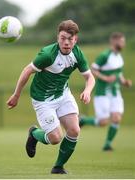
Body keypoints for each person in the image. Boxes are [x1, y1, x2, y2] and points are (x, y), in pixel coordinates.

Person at [7, 20, 95, 174]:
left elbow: (90, 77)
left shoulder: (77, 54)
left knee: (74, 130)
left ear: (76, 39)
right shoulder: (48, 54)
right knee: (55, 138)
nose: (66, 42)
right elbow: (27, 71)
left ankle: (58, 167)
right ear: (57, 38)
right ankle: (34, 133)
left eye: (70, 38)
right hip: (43, 99)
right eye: (63, 38)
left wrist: (87, 91)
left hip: (63, 95)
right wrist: (16, 94)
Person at [79, 32, 132, 151]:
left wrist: (124, 82)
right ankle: (83, 120)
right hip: (103, 93)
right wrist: (105, 78)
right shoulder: (105, 55)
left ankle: (107, 144)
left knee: (117, 118)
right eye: (121, 41)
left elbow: (119, 73)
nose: (123, 44)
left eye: (123, 42)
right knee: (103, 122)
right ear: (114, 41)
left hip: (115, 93)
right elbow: (93, 70)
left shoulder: (118, 56)